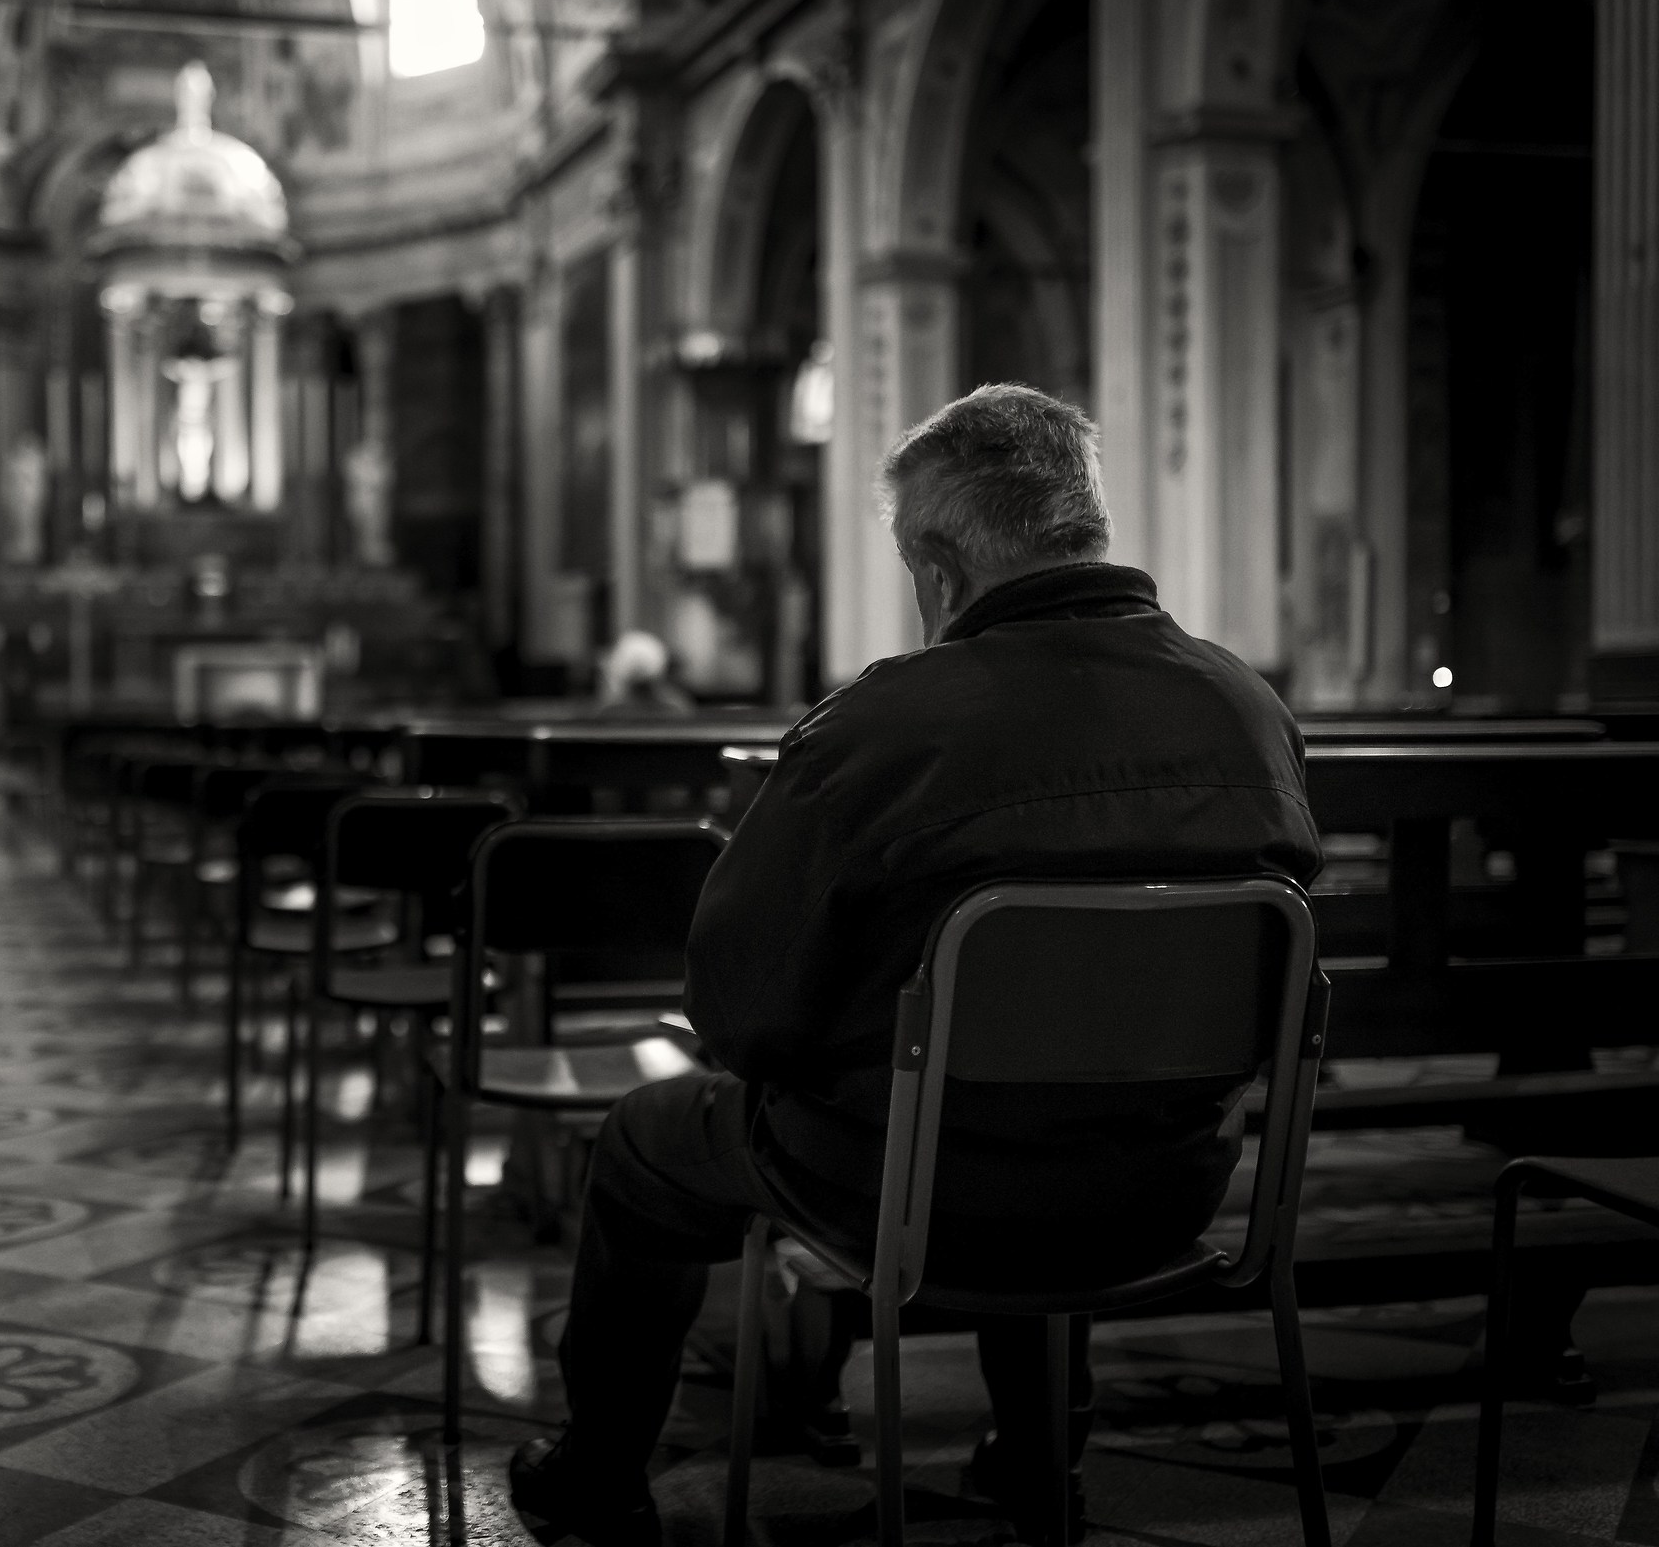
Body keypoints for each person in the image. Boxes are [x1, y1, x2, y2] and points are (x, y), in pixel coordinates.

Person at [508, 384, 1321, 1546]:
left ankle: (598, 1468)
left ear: (937, 572)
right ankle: (1040, 1460)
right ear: (1082, 527)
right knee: (1052, 1092)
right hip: (1170, 1187)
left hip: (919, 1193)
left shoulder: (884, 724)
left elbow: (739, 1009)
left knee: (648, 1140)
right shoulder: (1248, 707)